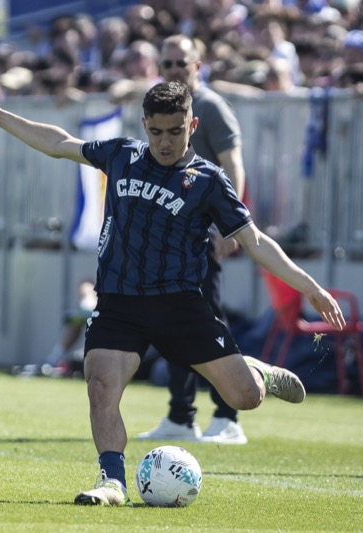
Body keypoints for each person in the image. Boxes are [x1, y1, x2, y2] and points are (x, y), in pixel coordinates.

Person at [0, 81, 346, 506]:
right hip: (119, 302)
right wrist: (2, 119)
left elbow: (254, 242)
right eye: (156, 131)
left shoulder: (208, 181)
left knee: (244, 398)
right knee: (100, 386)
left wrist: (310, 286)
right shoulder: (121, 155)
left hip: (180, 305)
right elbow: (60, 144)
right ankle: (113, 483)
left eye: (175, 131)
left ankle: (258, 373)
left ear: (192, 126)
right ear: (144, 125)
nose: (165, 142)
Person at [136, 34, 249, 445]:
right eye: (166, 64)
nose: (173, 70)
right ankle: (181, 415)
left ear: (198, 65)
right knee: (174, 324)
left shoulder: (210, 107)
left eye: (181, 63)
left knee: (210, 320)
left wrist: (228, 226)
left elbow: (234, 164)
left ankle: (228, 415)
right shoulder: (163, 104)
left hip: (202, 235)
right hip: (171, 239)